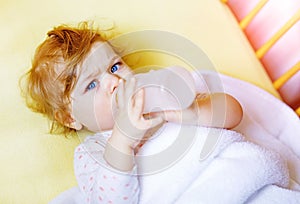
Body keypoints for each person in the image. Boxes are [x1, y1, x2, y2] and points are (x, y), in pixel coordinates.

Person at [22, 22, 243, 203]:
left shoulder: (160, 95)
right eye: (91, 85)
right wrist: (122, 139)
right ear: (70, 118)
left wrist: (193, 112)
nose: (115, 82)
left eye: (114, 67)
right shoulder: (93, 151)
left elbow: (234, 113)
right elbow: (111, 199)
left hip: (232, 179)